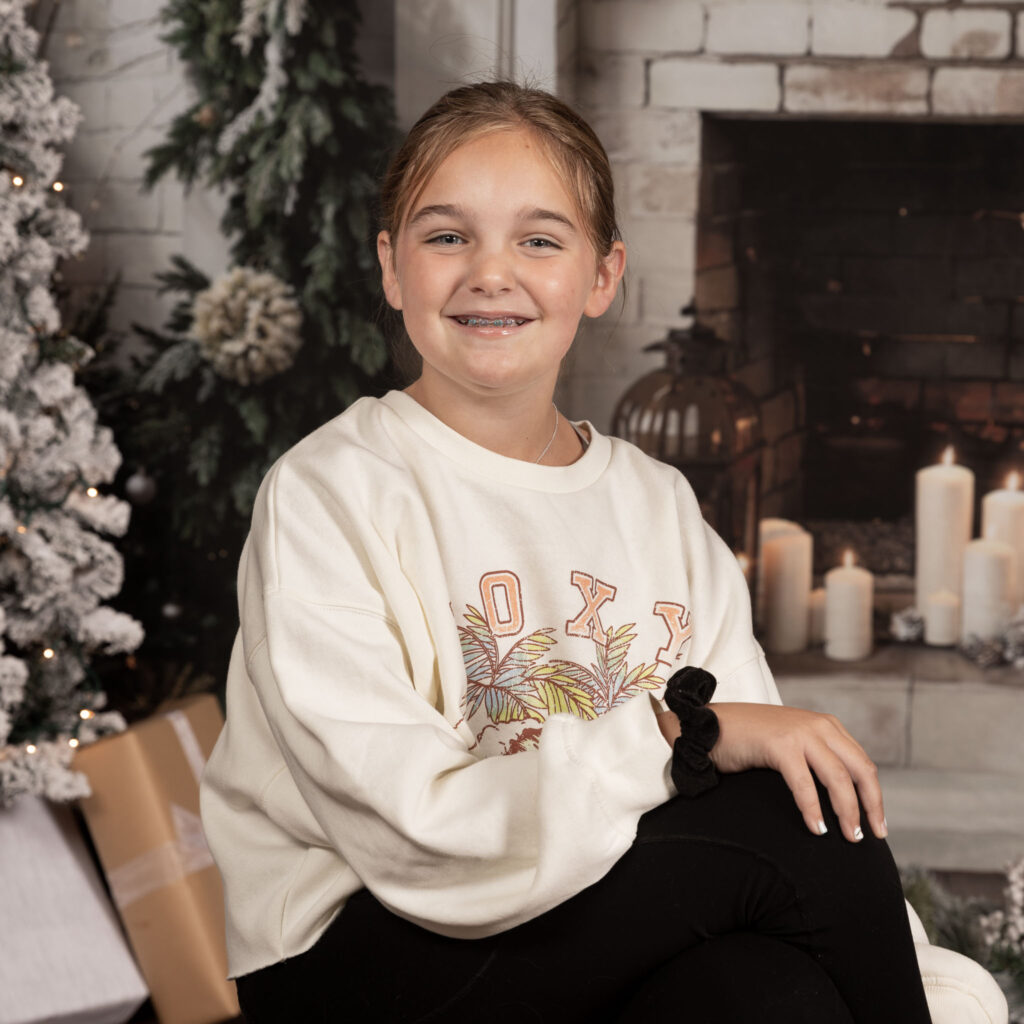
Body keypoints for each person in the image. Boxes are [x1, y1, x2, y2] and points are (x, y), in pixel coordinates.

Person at [200, 81, 931, 1023]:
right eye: (446, 236)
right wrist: (682, 735)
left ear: (602, 276)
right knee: (778, 841)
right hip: (368, 953)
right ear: (390, 267)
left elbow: (790, 796)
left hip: (589, 923)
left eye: (539, 240)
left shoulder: (660, 506)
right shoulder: (330, 493)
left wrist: (939, 990)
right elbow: (415, 837)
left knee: (764, 991)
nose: (490, 273)